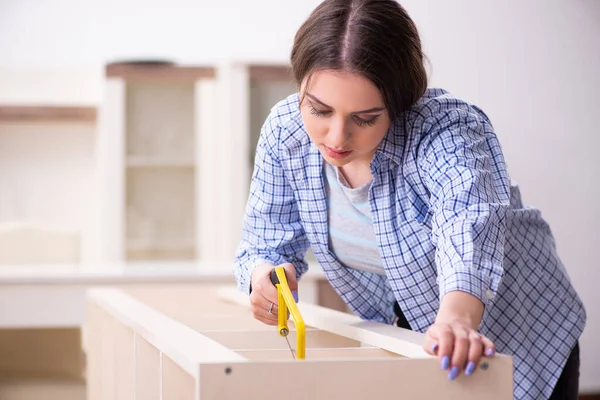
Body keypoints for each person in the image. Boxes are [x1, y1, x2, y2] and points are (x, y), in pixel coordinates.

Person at [232, 1, 586, 399]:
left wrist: (456, 319)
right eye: (319, 110)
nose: (335, 138)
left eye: (364, 118)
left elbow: (466, 224)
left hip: (520, 331)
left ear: (399, 102)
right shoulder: (285, 134)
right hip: (406, 334)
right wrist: (263, 278)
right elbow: (266, 242)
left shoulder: (446, 129)